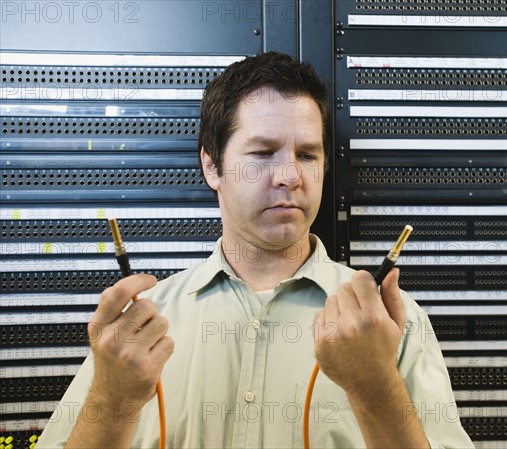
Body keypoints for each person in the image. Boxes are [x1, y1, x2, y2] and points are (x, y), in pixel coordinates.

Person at [37, 52, 474, 449]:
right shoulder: (137, 327)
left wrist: (376, 387)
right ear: (212, 166)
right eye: (263, 153)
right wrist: (113, 401)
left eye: (307, 155)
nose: (289, 176)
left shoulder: (390, 324)